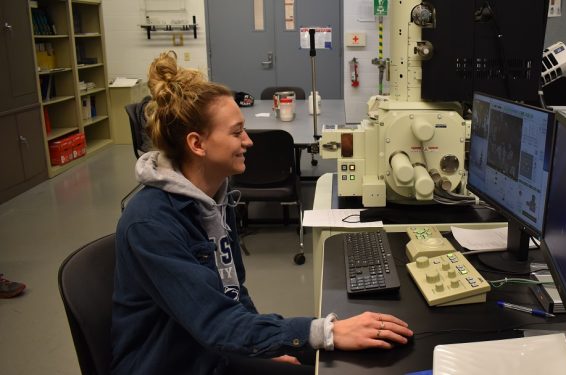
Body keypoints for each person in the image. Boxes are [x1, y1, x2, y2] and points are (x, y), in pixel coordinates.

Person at [112, 52, 412, 374]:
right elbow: (216, 322)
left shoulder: (215, 198)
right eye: (237, 132)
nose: (249, 141)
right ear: (197, 144)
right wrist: (327, 331)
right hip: (175, 364)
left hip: (214, 349)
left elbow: (233, 292)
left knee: (354, 360)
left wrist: (264, 346)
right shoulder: (151, 223)